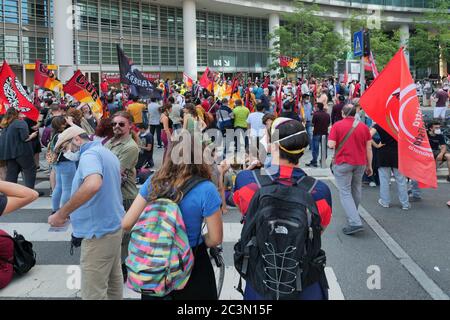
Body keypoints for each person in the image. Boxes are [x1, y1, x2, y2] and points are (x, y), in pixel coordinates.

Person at [233, 117, 332, 300]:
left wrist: (252, 170)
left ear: (272, 146)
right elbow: (319, 230)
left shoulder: (246, 181)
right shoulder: (320, 191)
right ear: (302, 150)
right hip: (304, 280)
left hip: (261, 279)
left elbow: (246, 214)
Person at [122, 137, 223, 300]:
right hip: (191, 262)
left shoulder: (153, 182)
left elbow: (126, 224)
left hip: (154, 264)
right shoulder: (206, 189)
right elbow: (215, 238)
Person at [49, 125, 124, 300]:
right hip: (111, 226)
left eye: (64, 147)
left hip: (97, 232)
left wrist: (62, 213)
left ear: (76, 139)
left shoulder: (89, 155)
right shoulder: (104, 151)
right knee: (113, 281)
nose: (65, 153)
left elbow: (93, 184)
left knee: (93, 291)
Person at [104, 111, 139, 280]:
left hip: (125, 196)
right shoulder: (110, 142)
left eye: (121, 124)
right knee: (114, 234)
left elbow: (116, 174)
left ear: (130, 125)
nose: (116, 126)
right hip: (112, 194)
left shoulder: (130, 147)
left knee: (124, 237)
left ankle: (124, 270)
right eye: (114, 124)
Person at [328, 104, 373, 235]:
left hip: (343, 162)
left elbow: (331, 145)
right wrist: (369, 165)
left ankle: (355, 222)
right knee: (356, 188)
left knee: (345, 192)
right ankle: (353, 213)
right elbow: (368, 148)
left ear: (343, 113)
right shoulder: (364, 127)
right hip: (360, 162)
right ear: (355, 113)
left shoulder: (337, 125)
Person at [370, 125, 410, 210]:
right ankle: (405, 203)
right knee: (401, 180)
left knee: (384, 180)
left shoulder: (380, 123)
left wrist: (376, 145)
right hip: (398, 153)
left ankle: (385, 202)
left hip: (383, 154)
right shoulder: (400, 122)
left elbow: (368, 135)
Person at [0, 108, 38, 190]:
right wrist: (32, 135)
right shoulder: (20, 123)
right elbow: (24, 138)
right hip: (22, 151)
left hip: (9, 153)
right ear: (18, 113)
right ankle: (30, 191)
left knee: (11, 173)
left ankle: (10, 192)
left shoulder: (6, 124)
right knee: (30, 170)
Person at [50, 116, 77, 215]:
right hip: (67, 162)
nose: (66, 123)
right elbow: (79, 132)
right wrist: (71, 123)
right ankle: (65, 212)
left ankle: (55, 209)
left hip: (58, 163)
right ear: (61, 124)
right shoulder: (64, 135)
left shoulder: (54, 135)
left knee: (58, 187)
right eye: (64, 122)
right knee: (67, 188)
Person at [307, 103, 330, 168]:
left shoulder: (316, 114)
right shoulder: (327, 115)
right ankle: (323, 160)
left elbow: (312, 123)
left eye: (315, 107)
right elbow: (328, 123)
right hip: (324, 133)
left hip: (316, 133)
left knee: (315, 148)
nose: (315, 108)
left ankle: (314, 161)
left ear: (318, 107)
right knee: (324, 148)